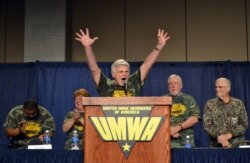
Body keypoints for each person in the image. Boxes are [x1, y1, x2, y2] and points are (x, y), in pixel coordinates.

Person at [75, 28, 170, 97]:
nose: (124, 74)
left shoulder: (134, 82)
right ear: (113, 74)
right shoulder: (105, 84)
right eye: (120, 72)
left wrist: (159, 47)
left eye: (126, 72)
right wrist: (87, 47)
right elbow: (94, 68)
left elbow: (147, 65)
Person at [203, 77, 248, 148]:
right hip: (217, 146)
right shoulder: (210, 104)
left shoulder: (238, 103)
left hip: (237, 146)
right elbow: (207, 126)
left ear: (228, 88)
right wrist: (221, 138)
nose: (217, 89)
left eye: (220, 87)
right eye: (216, 87)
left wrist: (229, 135)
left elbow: (243, 124)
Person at [164, 74, 200, 148]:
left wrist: (177, 128)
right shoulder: (162, 100)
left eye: (176, 83)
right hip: (166, 143)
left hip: (185, 143)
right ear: (168, 87)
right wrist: (169, 131)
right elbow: (157, 120)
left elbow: (195, 118)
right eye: (170, 84)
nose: (173, 86)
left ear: (181, 86)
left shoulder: (189, 99)